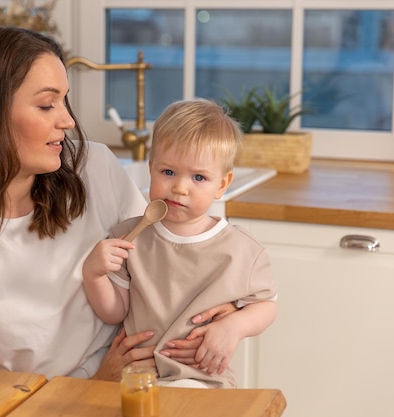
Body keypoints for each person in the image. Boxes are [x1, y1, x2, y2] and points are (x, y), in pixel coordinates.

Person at [0, 26, 238, 381]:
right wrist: (94, 387)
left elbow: (166, 258)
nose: (68, 120)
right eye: (46, 104)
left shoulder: (95, 169)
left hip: (137, 387)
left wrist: (225, 311)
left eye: (64, 100)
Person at [82, 98, 278, 388]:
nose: (180, 187)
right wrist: (94, 274)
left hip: (202, 378)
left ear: (221, 185)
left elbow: (266, 305)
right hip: (139, 377)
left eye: (199, 177)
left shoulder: (241, 250)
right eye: (168, 172)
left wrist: (233, 327)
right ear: (151, 168)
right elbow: (116, 312)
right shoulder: (128, 235)